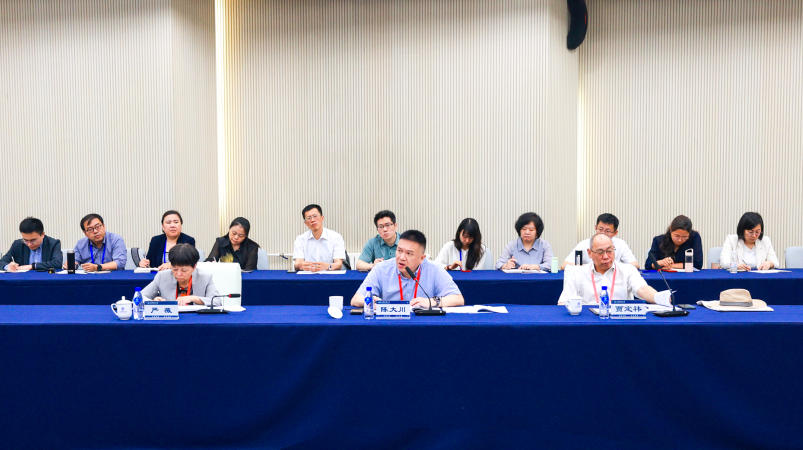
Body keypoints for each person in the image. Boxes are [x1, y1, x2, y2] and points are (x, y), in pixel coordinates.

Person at [350, 230, 464, 308]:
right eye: (399, 251)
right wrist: (374, 304)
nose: (402, 257)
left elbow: (458, 299)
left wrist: (432, 302)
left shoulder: (435, 270)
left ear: (421, 258)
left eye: (409, 253)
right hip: (391, 324)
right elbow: (356, 299)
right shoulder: (382, 269)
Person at [558, 234, 672, 306]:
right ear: (590, 253)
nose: (606, 256)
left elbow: (642, 289)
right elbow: (563, 302)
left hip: (620, 321)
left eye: (609, 251)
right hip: (588, 322)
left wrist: (660, 298)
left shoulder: (627, 270)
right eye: (600, 252)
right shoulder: (578, 272)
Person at [141, 244, 220, 306]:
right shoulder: (162, 276)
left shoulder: (205, 277)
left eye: (184, 270)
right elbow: (139, 297)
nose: (178, 274)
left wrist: (193, 298)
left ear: (194, 267)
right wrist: (154, 302)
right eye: (175, 269)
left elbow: (217, 301)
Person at [560, 213, 639, 270]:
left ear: (615, 233)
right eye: (600, 229)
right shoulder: (584, 244)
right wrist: (591, 267)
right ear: (595, 228)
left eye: (608, 231)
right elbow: (564, 265)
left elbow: (635, 265)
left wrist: (611, 267)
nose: (603, 233)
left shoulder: (621, 244)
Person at [293, 204, 346, 272]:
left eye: (315, 216)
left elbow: (339, 264)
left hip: (329, 275)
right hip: (308, 275)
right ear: (305, 223)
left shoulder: (336, 237)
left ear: (322, 218)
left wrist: (327, 266)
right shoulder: (300, 239)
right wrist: (300, 266)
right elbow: (297, 263)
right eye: (309, 218)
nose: (312, 220)